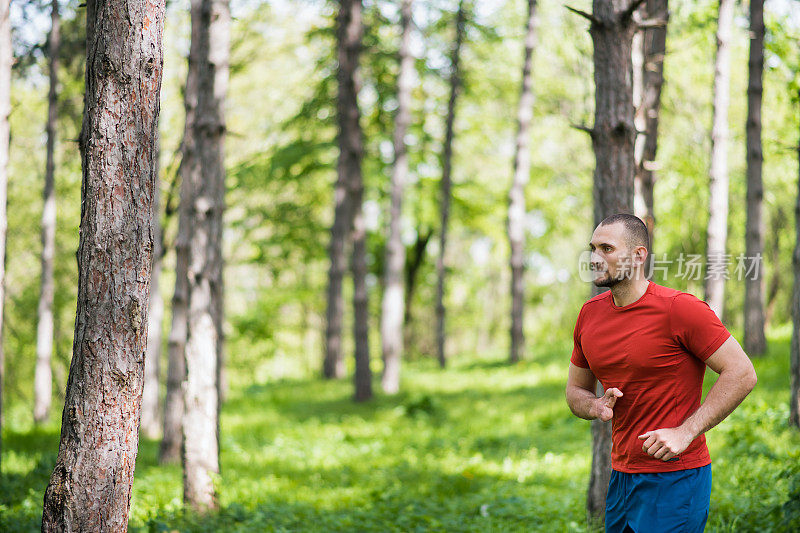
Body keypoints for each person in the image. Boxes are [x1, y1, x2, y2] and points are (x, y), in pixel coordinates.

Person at [565, 213, 757, 533]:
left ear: (639, 255)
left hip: (676, 477)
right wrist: (594, 406)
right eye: (593, 248)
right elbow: (575, 391)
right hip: (621, 476)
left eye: (606, 249)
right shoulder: (589, 314)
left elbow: (742, 372)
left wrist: (685, 432)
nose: (594, 258)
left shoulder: (680, 308)